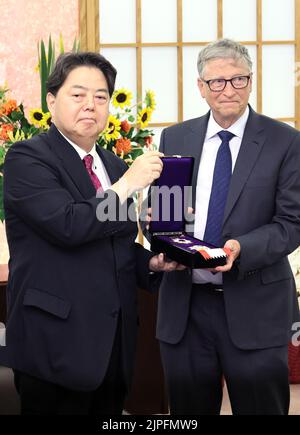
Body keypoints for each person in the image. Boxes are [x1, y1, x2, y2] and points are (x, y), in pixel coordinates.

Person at [0, 52, 184, 415]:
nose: (91, 105)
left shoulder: (111, 164)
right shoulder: (27, 158)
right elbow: (69, 224)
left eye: (101, 97)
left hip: (114, 344)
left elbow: (114, 245)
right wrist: (128, 184)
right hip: (54, 343)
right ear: (51, 101)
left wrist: (152, 263)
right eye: (78, 95)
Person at [143, 39, 300, 415]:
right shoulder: (175, 137)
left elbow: (291, 223)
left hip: (256, 308)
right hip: (186, 308)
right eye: (217, 82)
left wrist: (239, 248)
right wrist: (155, 228)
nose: (228, 90)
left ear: (251, 81)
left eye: (238, 79)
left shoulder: (286, 141)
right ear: (201, 86)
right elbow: (162, 212)